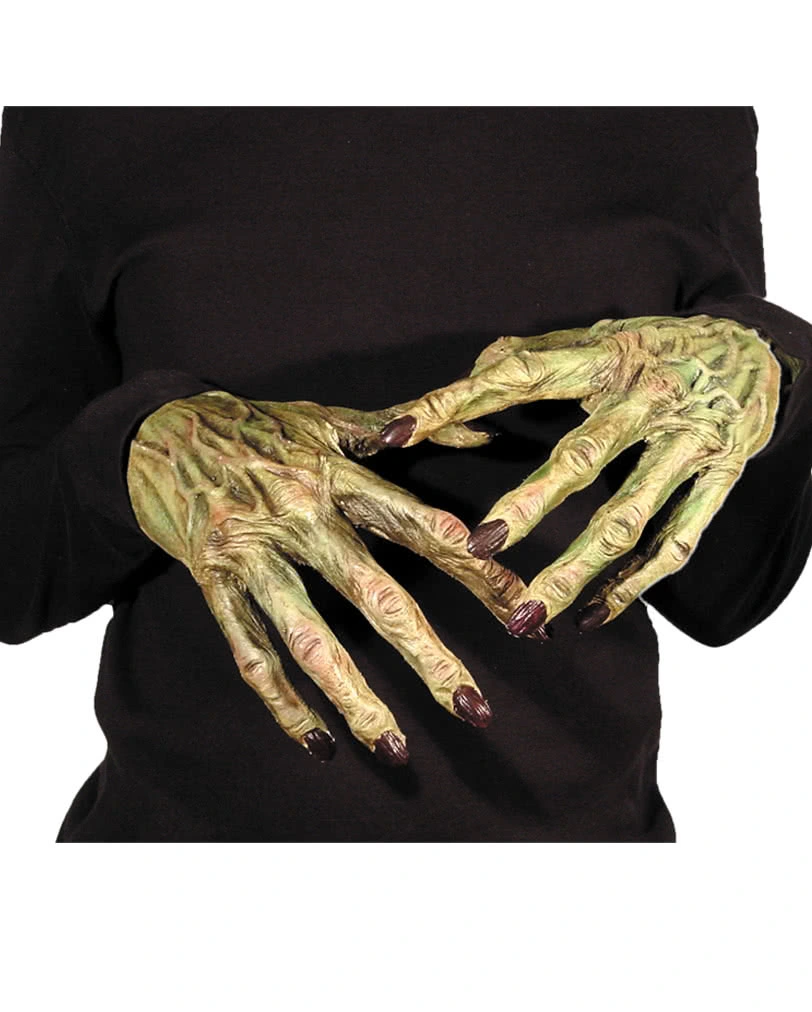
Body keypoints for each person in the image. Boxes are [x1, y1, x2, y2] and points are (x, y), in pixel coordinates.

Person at [0, 106, 809, 842]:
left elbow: (721, 595)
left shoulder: (678, 112)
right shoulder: (89, 115)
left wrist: (776, 362)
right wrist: (133, 443)